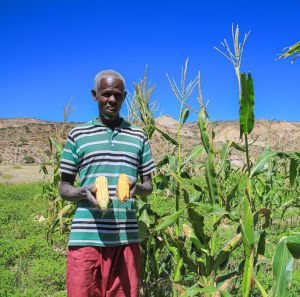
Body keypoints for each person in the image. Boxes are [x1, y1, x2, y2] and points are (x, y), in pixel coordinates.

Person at [59, 70, 155, 297]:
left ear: (124, 96)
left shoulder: (139, 136)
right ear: (95, 95)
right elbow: (64, 188)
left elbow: (148, 186)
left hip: (126, 238)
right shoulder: (78, 135)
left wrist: (137, 188)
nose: (112, 100)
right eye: (107, 94)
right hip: (86, 239)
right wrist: (82, 192)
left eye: (118, 95)